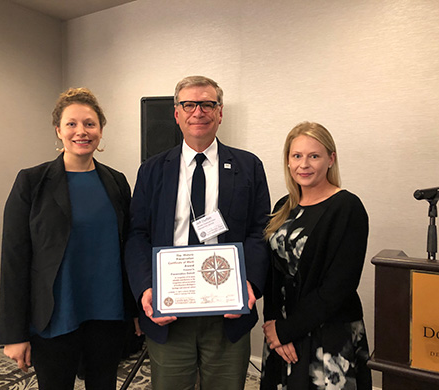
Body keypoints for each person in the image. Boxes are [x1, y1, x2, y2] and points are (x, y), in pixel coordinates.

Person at [125, 75, 271, 390]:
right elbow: (137, 234)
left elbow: (260, 230)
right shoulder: (151, 170)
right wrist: (146, 289)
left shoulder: (248, 166)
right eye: (188, 104)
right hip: (170, 309)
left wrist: (250, 284)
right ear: (176, 114)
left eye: (207, 104)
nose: (198, 112)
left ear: (220, 113)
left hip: (227, 310)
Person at [0, 87, 136, 390]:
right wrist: (14, 333)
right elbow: (14, 259)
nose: (81, 131)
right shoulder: (31, 182)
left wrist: (134, 311)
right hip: (55, 317)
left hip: (108, 316)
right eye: (71, 124)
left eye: (89, 123)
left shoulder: (117, 182)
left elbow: (128, 250)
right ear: (58, 130)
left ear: (100, 130)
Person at [261, 122, 372, 389]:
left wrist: (286, 331)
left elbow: (339, 286)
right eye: (297, 156)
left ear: (331, 159)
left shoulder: (347, 207)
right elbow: (273, 274)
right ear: (287, 161)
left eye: (314, 156)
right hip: (283, 333)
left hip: (328, 334)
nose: (304, 164)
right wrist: (272, 324)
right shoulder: (283, 207)